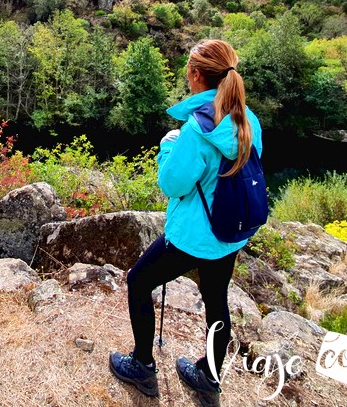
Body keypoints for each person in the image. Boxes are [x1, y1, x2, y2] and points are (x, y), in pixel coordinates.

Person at [109, 39, 263, 407]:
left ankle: (143, 365)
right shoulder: (247, 118)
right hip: (231, 232)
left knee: (139, 280)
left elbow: (172, 184)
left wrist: (168, 146)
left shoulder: (196, 129)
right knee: (216, 300)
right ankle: (208, 377)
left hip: (193, 236)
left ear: (195, 76)